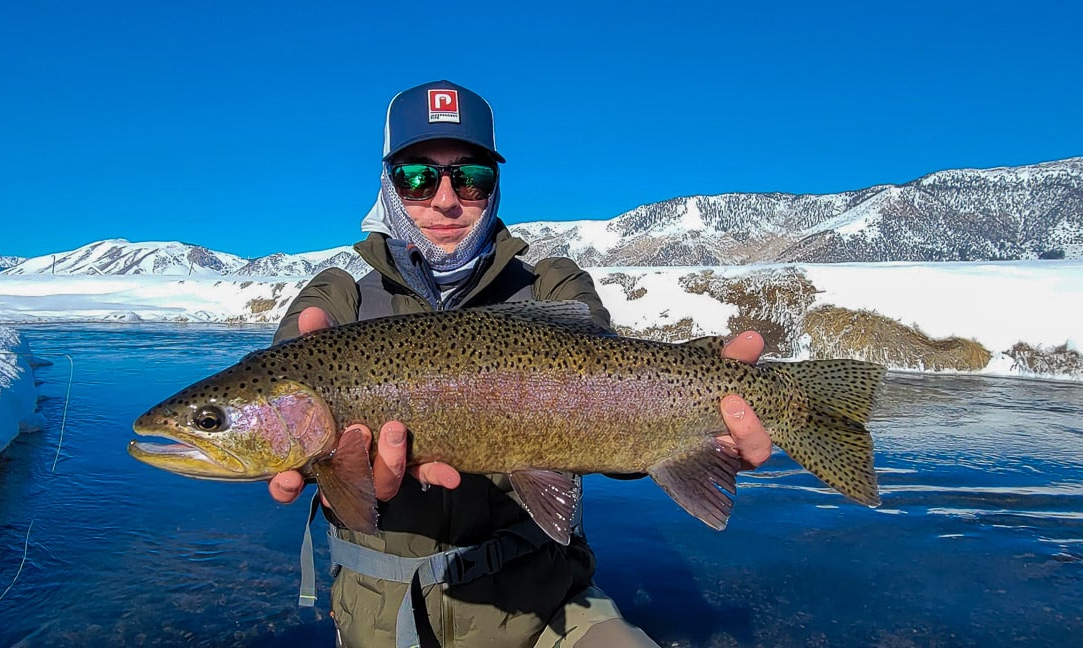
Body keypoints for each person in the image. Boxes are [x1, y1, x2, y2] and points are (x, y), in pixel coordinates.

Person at [268, 80, 772, 648]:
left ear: (495, 187)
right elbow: (286, 392)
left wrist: (697, 435)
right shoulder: (339, 300)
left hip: (545, 607)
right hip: (384, 621)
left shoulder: (550, 285)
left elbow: (604, 412)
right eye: (417, 176)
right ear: (387, 187)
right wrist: (318, 464)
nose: (444, 199)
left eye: (471, 177)